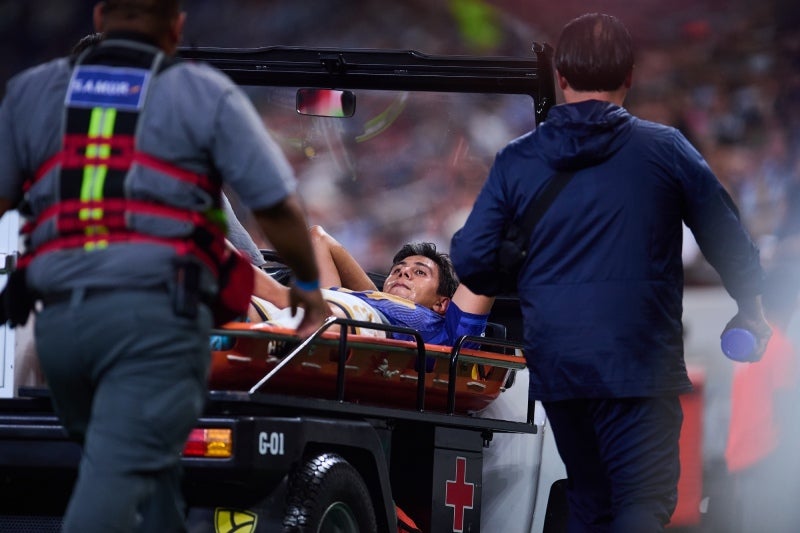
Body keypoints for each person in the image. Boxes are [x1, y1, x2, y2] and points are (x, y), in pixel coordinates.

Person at [0, 1, 329, 532]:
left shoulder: (31, 94)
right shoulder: (197, 96)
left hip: (56, 329)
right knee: (118, 468)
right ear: (175, 28)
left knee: (142, 475)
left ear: (101, 17)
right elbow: (274, 212)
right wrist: (308, 290)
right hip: (147, 324)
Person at [450, 13, 772, 532]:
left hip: (560, 368)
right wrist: (750, 309)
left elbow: (472, 262)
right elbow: (728, 238)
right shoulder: (665, 150)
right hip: (640, 363)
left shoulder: (518, 160)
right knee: (643, 502)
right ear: (630, 76)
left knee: (589, 502)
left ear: (560, 78)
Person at [242, 225, 494, 346]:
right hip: (310, 310)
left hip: (333, 321)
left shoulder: (442, 330)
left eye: (419, 272)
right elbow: (319, 237)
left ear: (441, 303)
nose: (404, 271)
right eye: (397, 269)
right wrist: (373, 293)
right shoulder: (359, 296)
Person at [724, 271, 800, 532]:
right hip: (769, 460)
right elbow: (788, 414)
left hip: (744, 458)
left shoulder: (755, 345)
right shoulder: (781, 348)